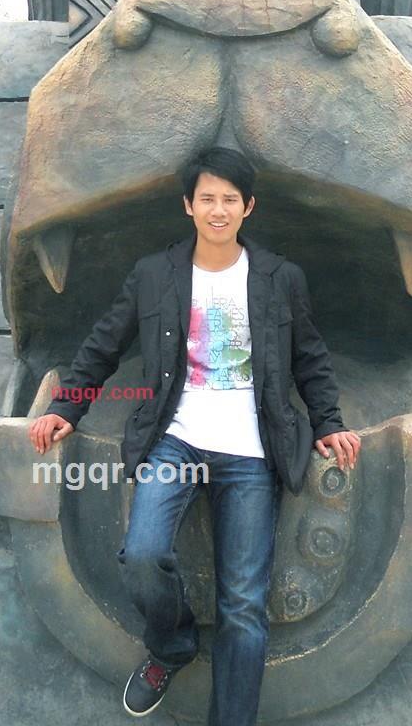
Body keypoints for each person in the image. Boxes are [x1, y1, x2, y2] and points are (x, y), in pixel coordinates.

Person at [28, 147, 361, 725]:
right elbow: (104, 344)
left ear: (248, 207)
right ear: (188, 205)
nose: (218, 209)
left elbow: (310, 357)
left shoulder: (280, 278)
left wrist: (328, 423)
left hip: (252, 451)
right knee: (143, 554)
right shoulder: (154, 274)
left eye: (230, 199)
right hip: (175, 439)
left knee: (243, 606)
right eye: (207, 198)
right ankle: (172, 645)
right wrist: (67, 407)